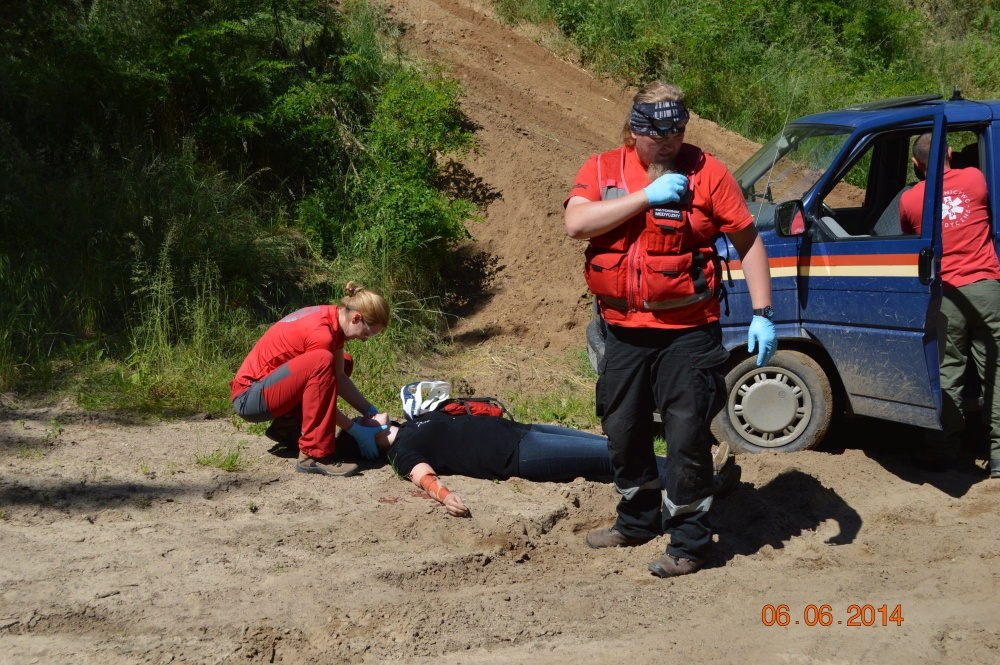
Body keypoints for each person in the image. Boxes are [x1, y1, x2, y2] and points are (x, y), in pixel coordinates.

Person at [563, 81, 776, 578]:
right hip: (622, 329)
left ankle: (690, 541)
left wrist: (764, 313)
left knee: (686, 437)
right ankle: (636, 520)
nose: (670, 143)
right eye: (659, 135)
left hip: (688, 331)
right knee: (623, 430)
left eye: (678, 133)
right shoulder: (602, 169)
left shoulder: (709, 173)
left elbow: (749, 243)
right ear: (634, 132)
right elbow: (577, 224)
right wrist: (644, 197)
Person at [337, 411, 741, 516]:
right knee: (607, 456)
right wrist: (444, 495)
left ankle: (691, 471)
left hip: (521, 430)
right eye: (359, 423)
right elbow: (421, 475)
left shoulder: (411, 422)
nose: (364, 416)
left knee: (609, 446)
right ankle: (703, 480)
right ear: (366, 443)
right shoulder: (398, 451)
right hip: (519, 456)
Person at [900, 133, 1000, 477]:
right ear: (951, 153)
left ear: (917, 165)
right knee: (996, 371)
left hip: (944, 296)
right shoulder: (975, 177)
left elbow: (913, 244)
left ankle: (943, 452)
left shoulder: (911, 200)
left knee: (946, 373)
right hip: (987, 288)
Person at [230, 282, 390, 477]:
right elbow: (321, 393)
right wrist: (354, 429)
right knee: (322, 361)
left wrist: (370, 412)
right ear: (356, 318)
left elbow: (339, 376)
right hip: (250, 397)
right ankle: (313, 454)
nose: (365, 339)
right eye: (368, 333)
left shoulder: (333, 318)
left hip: (268, 388)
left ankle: (287, 426)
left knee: (342, 362)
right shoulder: (322, 335)